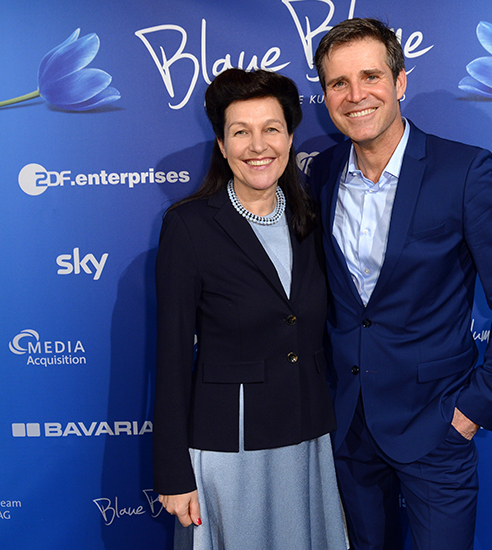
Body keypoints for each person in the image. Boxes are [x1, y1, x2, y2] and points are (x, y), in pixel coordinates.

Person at [309, 18, 492, 550]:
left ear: (399, 82)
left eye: (370, 76)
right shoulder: (320, 173)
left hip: (436, 423)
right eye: (338, 83)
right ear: (325, 95)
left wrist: (473, 410)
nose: (355, 95)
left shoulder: (464, 172)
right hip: (349, 425)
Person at [153, 68, 347, 550]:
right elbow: (172, 357)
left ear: (290, 139)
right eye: (241, 132)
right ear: (222, 145)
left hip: (307, 438)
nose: (258, 146)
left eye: (271, 129)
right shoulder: (189, 226)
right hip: (231, 447)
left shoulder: (312, 218)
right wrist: (173, 472)